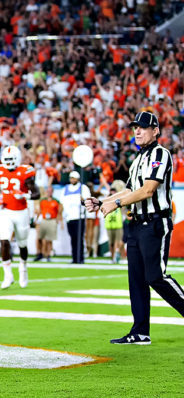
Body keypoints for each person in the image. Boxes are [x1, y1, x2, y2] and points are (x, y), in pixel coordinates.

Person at [85, 111, 184, 345]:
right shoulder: (138, 158)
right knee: (136, 279)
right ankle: (140, 331)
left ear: (155, 130)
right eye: (135, 127)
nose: (137, 131)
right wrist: (103, 201)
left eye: (142, 127)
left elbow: (148, 190)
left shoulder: (161, 153)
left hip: (154, 222)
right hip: (137, 223)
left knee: (156, 276)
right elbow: (130, 190)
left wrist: (115, 203)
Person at [0, 146, 40, 289]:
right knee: (4, 241)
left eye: (11, 159)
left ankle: (23, 268)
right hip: (5, 210)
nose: (9, 162)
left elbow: (37, 194)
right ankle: (8, 275)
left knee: (22, 244)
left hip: (21, 211)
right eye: (6, 159)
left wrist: (24, 195)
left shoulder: (25, 171)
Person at [62, 171, 90, 264]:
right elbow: (62, 203)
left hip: (79, 217)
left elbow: (86, 200)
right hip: (69, 217)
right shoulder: (65, 189)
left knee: (79, 238)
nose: (72, 180)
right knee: (73, 238)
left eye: (74, 178)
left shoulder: (83, 188)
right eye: (71, 178)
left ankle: (80, 258)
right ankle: (74, 257)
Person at [34, 185, 63, 262]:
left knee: (49, 239)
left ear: (52, 192)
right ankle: (39, 253)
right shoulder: (42, 200)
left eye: (50, 191)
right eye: (48, 191)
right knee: (39, 237)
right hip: (43, 219)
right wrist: (36, 219)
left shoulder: (56, 201)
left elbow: (59, 212)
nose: (49, 193)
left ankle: (48, 254)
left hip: (52, 220)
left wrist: (59, 221)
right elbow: (39, 211)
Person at [104, 184, 126, 263]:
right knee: (111, 243)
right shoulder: (107, 201)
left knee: (119, 242)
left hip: (118, 224)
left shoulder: (118, 201)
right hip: (109, 224)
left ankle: (120, 257)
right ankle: (112, 258)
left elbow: (123, 208)